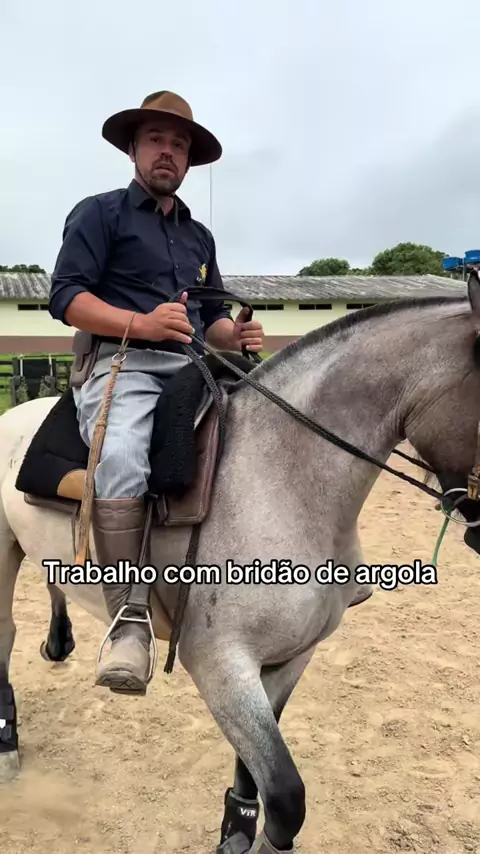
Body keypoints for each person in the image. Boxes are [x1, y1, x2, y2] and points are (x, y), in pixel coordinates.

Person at [48, 90, 265, 696]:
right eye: (156, 140)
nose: (167, 152)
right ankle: (129, 619)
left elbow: (210, 319)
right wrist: (141, 324)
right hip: (123, 362)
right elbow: (66, 298)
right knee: (121, 453)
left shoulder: (199, 237)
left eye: (179, 144)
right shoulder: (99, 214)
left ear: (189, 160)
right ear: (133, 149)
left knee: (278, 425)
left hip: (196, 365)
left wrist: (235, 335)